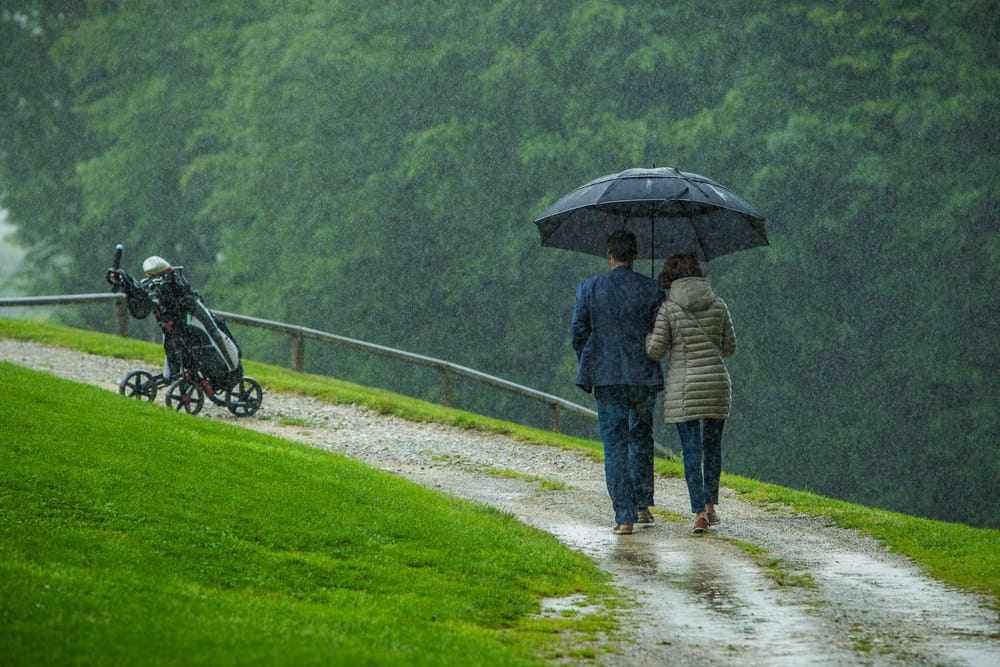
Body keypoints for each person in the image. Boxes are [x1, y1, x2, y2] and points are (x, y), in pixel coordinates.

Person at [571, 230, 665, 535]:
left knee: (614, 445)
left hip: (606, 376)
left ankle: (623, 516)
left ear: (608, 254)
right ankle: (642, 506)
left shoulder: (589, 288)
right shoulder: (652, 289)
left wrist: (593, 357)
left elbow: (578, 332)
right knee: (640, 438)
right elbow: (659, 334)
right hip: (642, 377)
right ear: (635, 255)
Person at [645, 253, 736, 534]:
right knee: (712, 449)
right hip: (715, 385)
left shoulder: (669, 308)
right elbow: (730, 348)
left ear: (671, 278)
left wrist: (647, 335)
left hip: (684, 387)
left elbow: (655, 351)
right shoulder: (718, 304)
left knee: (691, 451)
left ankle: (698, 513)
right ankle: (711, 508)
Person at [107, 255, 241, 390]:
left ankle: (216, 377)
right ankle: (171, 374)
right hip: (178, 330)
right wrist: (126, 284)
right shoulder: (167, 288)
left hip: (189, 328)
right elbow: (142, 300)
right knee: (174, 346)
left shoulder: (174, 288)